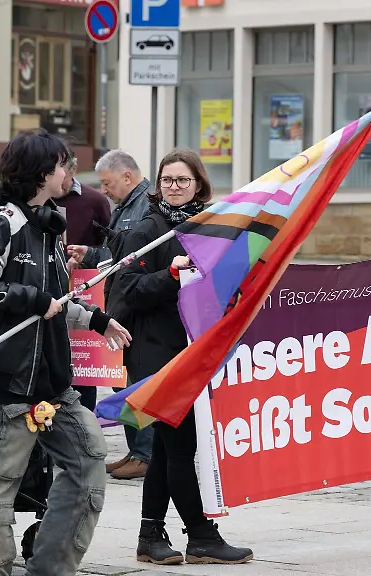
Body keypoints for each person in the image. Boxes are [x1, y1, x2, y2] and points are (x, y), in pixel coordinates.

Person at [0, 129, 132, 576]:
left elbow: (55, 301)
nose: (69, 172)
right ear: (41, 173)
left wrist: (97, 320)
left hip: (53, 380)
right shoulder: (1, 221)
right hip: (8, 377)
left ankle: (53, 567)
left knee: (88, 463)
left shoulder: (50, 224)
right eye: (61, 165)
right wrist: (33, 300)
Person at [117, 147, 253, 565]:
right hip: (157, 355)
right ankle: (200, 534)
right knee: (179, 447)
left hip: (192, 351)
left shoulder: (206, 227)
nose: (174, 187)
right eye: (167, 180)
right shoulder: (147, 231)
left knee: (164, 448)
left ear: (198, 184)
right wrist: (170, 275)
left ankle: (149, 536)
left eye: (182, 180)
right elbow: (125, 292)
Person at [67, 149, 153, 480]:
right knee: (124, 382)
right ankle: (136, 450)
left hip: (137, 307)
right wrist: (91, 255)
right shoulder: (128, 205)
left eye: (108, 183)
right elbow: (119, 254)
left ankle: (145, 454)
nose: (104, 190)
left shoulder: (145, 206)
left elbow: (135, 258)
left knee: (135, 383)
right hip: (124, 304)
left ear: (127, 177)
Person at [52, 153, 112, 413]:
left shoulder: (94, 201)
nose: (58, 180)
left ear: (73, 170)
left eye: (62, 173)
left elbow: (109, 246)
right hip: (51, 292)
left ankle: (84, 418)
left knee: (84, 364)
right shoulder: (40, 199)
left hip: (85, 291)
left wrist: (86, 258)